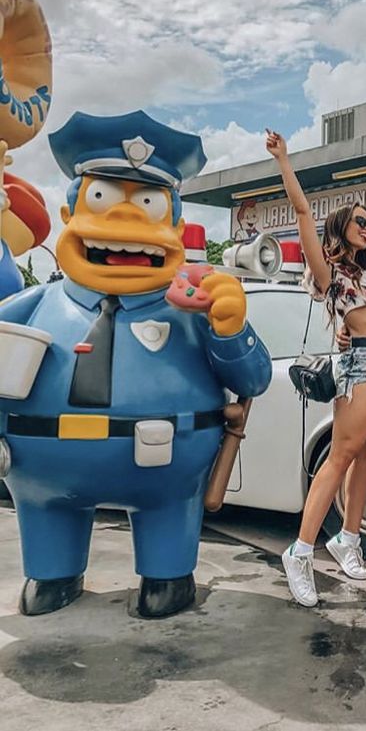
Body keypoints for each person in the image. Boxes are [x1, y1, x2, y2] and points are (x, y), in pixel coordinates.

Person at [0, 111, 272, 618]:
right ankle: (53, 572)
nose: (124, 222)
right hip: (43, 476)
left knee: (167, 515)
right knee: (48, 523)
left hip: (163, 468)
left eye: (146, 204)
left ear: (171, 222)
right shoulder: (37, 305)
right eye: (102, 199)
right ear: (70, 214)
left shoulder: (192, 311)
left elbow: (252, 380)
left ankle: (167, 574)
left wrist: (231, 330)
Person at [266, 129, 366, 607]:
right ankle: (299, 551)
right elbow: (303, 213)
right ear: (341, 228)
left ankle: (348, 539)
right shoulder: (330, 272)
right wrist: (283, 159)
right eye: (360, 222)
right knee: (341, 455)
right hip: (358, 364)